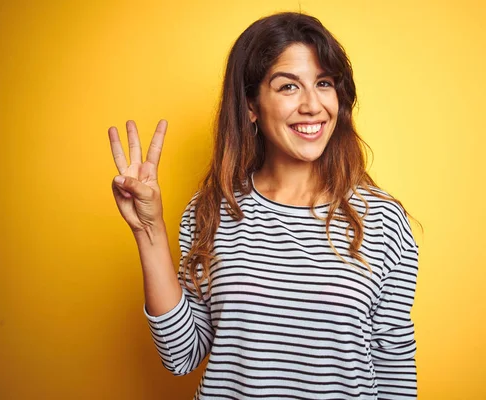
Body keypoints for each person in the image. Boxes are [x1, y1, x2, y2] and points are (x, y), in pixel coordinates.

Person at [108, 11, 419, 400]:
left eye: (324, 83)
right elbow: (181, 355)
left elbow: (394, 368)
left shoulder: (384, 221)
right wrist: (148, 231)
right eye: (288, 87)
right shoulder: (210, 214)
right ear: (251, 105)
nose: (312, 105)